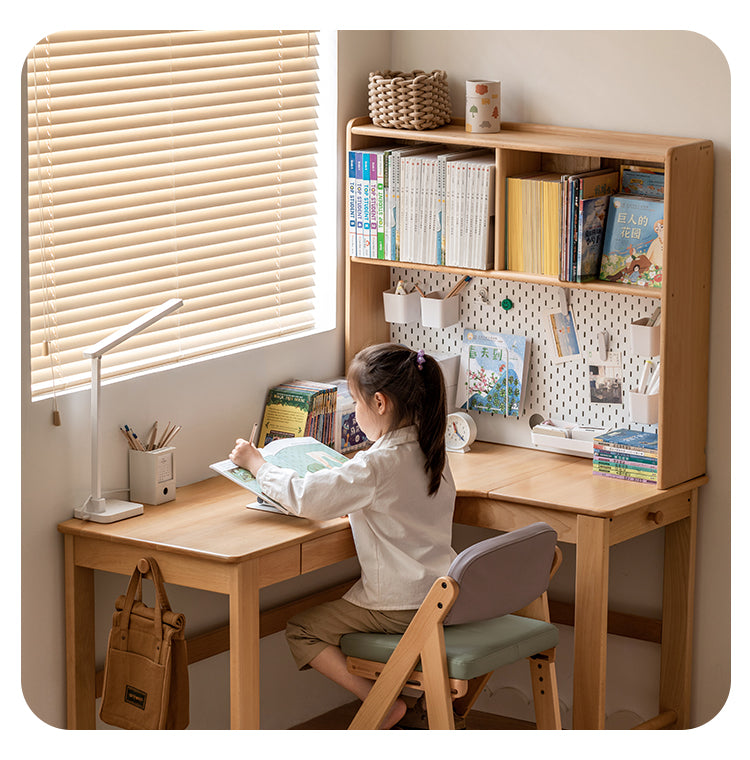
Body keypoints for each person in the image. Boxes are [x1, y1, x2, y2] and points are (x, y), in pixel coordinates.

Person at [229, 343, 456, 729]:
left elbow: (306, 498)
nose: (356, 411)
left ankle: (380, 702)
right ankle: (397, 701)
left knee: (301, 629)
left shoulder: (377, 464)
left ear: (380, 403)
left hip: (400, 606)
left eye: (356, 401)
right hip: (442, 594)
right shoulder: (430, 446)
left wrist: (257, 463)